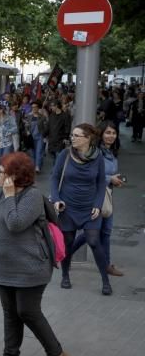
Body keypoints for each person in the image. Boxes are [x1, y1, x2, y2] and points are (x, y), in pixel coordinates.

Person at [0, 153, 66, 356]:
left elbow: (16, 223)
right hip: (6, 264)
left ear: (15, 176)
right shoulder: (6, 194)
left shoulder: (33, 197)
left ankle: (56, 353)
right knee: (10, 311)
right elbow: (1, 224)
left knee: (28, 311)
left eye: (2, 172)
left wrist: (10, 197)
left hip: (31, 265)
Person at [50, 123, 111, 295]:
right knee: (68, 243)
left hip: (90, 208)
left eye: (77, 136)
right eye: (72, 135)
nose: (73, 138)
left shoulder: (98, 157)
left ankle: (105, 281)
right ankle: (65, 275)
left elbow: (100, 183)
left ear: (88, 138)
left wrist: (98, 205)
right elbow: (54, 178)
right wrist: (56, 199)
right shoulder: (65, 154)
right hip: (67, 207)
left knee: (93, 241)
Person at [69, 121, 124, 279]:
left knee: (104, 232)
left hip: (107, 197)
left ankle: (105, 264)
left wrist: (115, 181)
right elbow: (88, 174)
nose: (111, 136)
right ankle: (66, 254)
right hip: (94, 198)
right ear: (101, 134)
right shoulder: (95, 153)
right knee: (92, 233)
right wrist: (109, 179)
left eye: (113, 133)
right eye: (108, 133)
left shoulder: (111, 152)